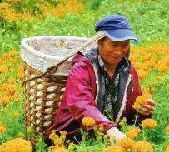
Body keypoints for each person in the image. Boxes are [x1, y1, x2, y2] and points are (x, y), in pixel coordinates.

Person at [47, 15, 155, 144]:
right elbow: (80, 104)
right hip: (74, 136)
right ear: (99, 42)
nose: (119, 51)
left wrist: (142, 110)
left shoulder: (128, 70)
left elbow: (132, 105)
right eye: (114, 45)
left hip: (111, 138)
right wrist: (109, 128)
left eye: (125, 45)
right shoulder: (83, 68)